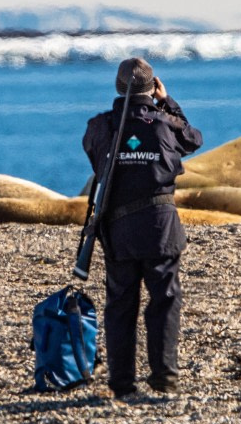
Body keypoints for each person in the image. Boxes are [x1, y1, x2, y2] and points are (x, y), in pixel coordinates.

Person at [82, 57, 203, 398]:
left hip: (117, 228)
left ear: (119, 88)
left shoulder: (99, 126)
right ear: (153, 87)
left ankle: (121, 383)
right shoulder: (166, 123)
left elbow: (94, 157)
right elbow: (193, 139)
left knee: (120, 302)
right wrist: (166, 103)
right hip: (160, 227)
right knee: (164, 299)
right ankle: (164, 376)